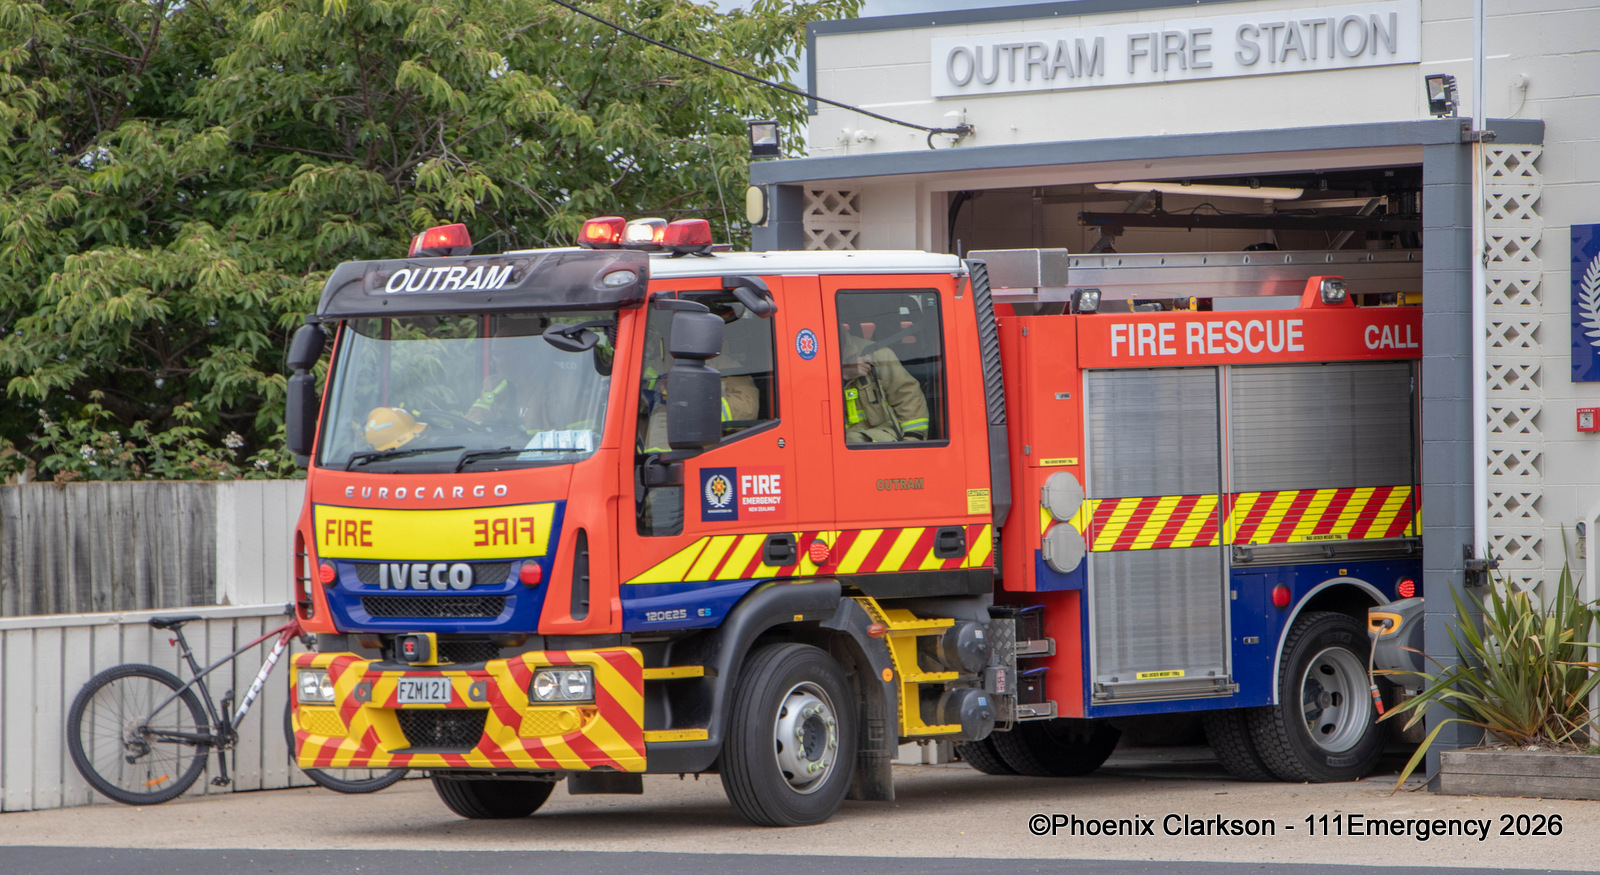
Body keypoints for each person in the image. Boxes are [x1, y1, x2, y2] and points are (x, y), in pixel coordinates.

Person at [840, 329, 928, 443]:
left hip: (880, 442)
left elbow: (908, 397)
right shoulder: (816, 361)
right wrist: (842, 376)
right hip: (832, 447)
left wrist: (911, 441)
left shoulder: (877, 355)